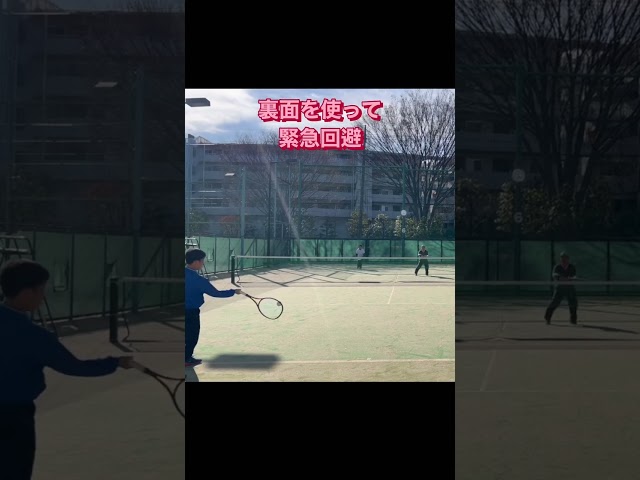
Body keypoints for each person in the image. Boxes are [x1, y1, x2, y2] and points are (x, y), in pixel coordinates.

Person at [0, 259, 135, 480]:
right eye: (40, 291)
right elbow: (74, 367)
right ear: (26, 292)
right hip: (14, 420)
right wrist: (115, 362)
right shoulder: (35, 336)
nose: (42, 297)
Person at [185, 248, 241, 367]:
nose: (203, 263)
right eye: (202, 261)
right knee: (192, 336)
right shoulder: (199, 280)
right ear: (196, 262)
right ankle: (186, 359)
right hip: (191, 312)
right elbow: (216, 293)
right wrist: (233, 291)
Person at [544, 252, 578, 325]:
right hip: (560, 289)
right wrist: (560, 278)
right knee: (554, 303)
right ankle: (547, 318)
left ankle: (573, 320)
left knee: (573, 303)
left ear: (568, 259)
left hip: (570, 289)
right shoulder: (557, 267)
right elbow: (554, 275)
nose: (564, 259)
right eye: (562, 258)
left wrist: (570, 278)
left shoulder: (572, 267)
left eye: (565, 258)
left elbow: (574, 277)